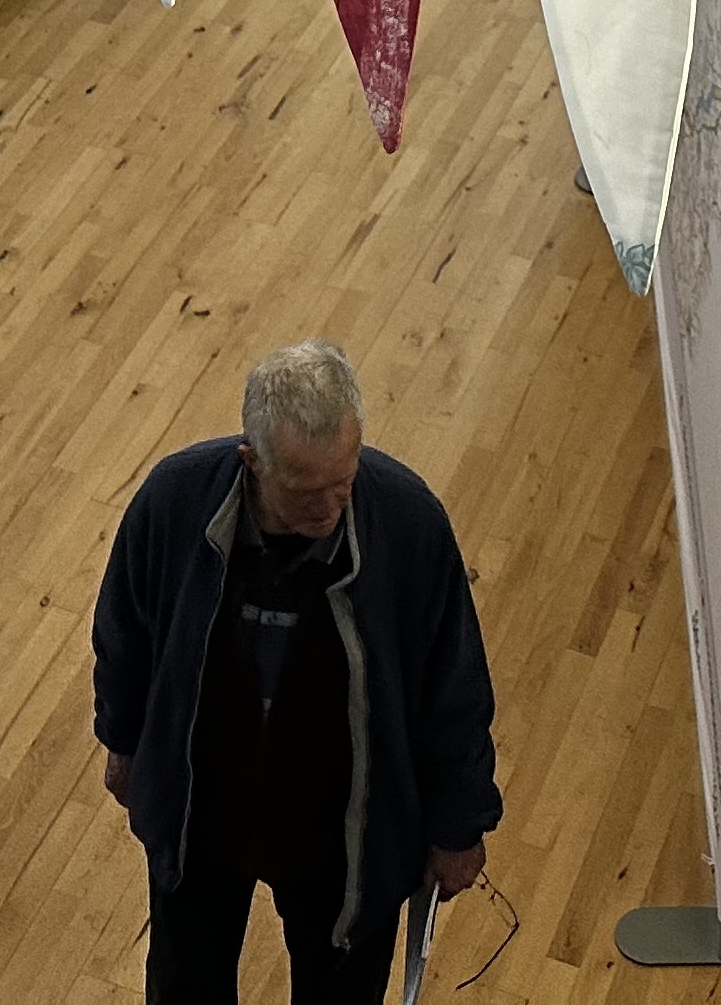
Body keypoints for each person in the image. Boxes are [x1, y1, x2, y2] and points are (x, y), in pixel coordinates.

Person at [91, 340, 501, 1002]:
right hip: (204, 818)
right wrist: (125, 739)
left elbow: (454, 689)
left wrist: (459, 826)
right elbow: (124, 630)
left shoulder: (408, 524)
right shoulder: (174, 501)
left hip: (344, 837)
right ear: (252, 463)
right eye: (308, 491)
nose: (333, 507)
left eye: (346, 480)